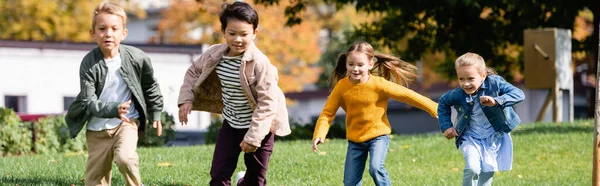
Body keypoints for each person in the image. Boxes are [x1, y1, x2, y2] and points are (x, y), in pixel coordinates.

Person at [177, 2, 290, 186]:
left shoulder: (260, 63)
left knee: (255, 180)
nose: (238, 39)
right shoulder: (215, 54)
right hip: (231, 124)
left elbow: (267, 103)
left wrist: (253, 137)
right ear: (223, 31)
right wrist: (186, 99)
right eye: (232, 33)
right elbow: (193, 72)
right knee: (219, 174)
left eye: (244, 34)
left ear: (255, 33)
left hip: (261, 126)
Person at [311, 41, 438, 186]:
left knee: (376, 168)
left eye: (360, 65)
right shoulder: (341, 87)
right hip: (355, 141)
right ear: (346, 63)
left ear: (370, 64)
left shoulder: (379, 84)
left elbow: (407, 95)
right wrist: (319, 135)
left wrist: (434, 108)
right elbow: (327, 113)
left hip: (378, 137)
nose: (355, 69)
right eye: (351, 64)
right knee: (350, 182)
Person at [64, 2, 164, 186]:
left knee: (125, 159)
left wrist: (155, 112)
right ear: (92, 34)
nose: (108, 34)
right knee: (95, 180)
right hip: (97, 130)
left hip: (126, 123)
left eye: (114, 29)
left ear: (123, 33)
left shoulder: (137, 58)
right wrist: (113, 109)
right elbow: (88, 101)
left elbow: (150, 86)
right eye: (102, 29)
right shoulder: (89, 63)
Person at [437, 52, 525, 186]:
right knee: (472, 168)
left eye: (471, 79)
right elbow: (443, 102)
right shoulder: (457, 94)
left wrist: (497, 101)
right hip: (470, 137)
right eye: (461, 79)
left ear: (483, 75)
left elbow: (518, 94)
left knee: (486, 176)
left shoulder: (495, 83)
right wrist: (446, 126)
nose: (466, 84)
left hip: (493, 138)